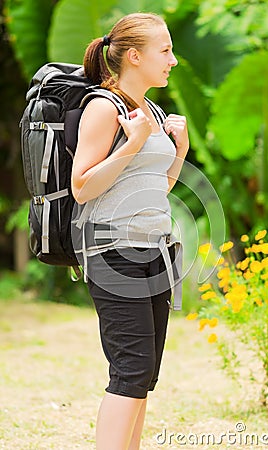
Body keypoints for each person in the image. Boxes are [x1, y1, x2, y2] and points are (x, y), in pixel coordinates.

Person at [71, 12, 189, 450]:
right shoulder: (104, 108)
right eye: (165, 51)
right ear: (134, 56)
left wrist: (179, 151)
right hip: (111, 251)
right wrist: (134, 144)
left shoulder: (152, 110)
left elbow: (157, 187)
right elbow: (82, 187)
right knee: (130, 370)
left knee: (144, 376)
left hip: (154, 250)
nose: (173, 60)